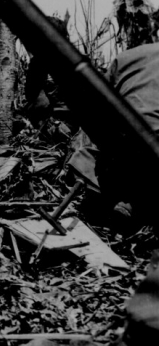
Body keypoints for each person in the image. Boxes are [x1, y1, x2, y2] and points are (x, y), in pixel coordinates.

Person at [66, 42, 159, 226]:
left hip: (121, 145)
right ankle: (137, 203)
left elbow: (98, 106)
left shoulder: (129, 55)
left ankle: (119, 196)